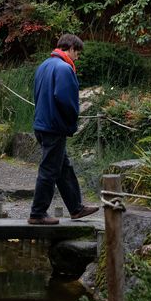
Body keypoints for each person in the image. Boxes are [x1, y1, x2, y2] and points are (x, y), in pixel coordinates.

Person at [28, 34, 99, 225]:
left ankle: (76, 207)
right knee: (50, 169)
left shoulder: (44, 65)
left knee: (63, 167)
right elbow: (66, 100)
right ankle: (37, 213)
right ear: (71, 49)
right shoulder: (64, 68)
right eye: (78, 53)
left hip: (42, 124)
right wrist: (71, 123)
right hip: (54, 126)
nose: (78, 57)